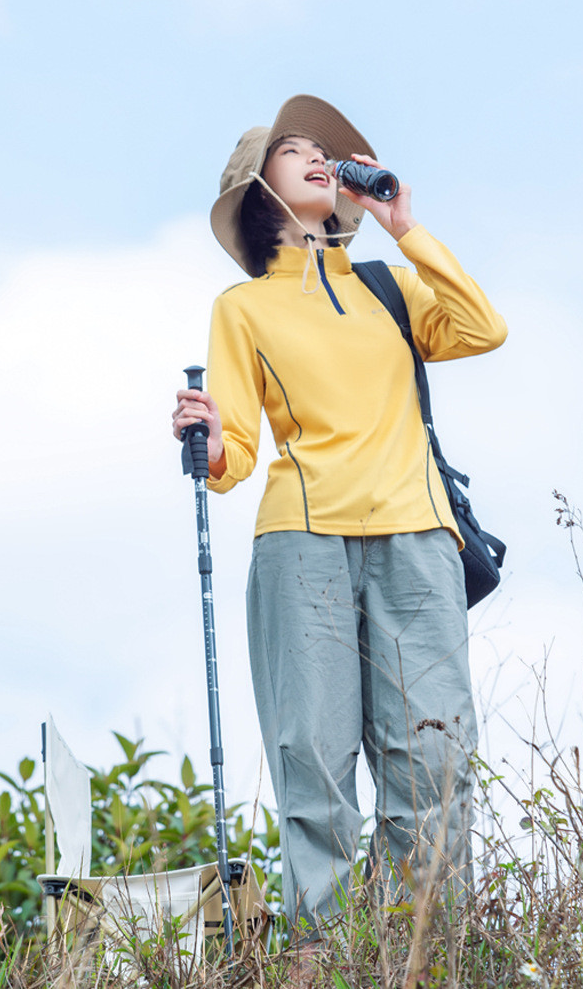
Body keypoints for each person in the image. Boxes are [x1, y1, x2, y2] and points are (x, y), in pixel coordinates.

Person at [172, 95, 507, 934]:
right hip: (303, 544)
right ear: (260, 190)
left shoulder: (390, 291)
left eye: (327, 151)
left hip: (418, 539)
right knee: (312, 761)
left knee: (434, 762)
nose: (320, 157)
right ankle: (319, 957)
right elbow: (236, 455)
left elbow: (483, 327)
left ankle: (422, 953)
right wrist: (210, 439)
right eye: (295, 151)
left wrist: (402, 225)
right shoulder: (241, 308)